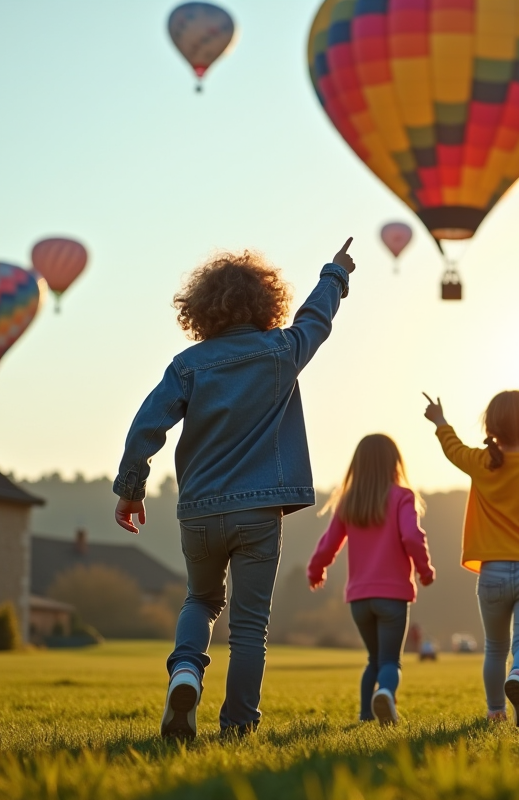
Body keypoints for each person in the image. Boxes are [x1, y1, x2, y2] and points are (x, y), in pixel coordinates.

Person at [112, 240, 357, 740]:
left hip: (199, 510)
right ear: (266, 304)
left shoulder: (188, 365)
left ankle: (185, 671)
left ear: (202, 310)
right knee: (250, 625)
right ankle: (239, 726)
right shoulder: (283, 352)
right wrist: (335, 274)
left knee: (200, 599)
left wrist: (131, 488)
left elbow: (146, 427)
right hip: (260, 510)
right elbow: (317, 321)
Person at [422, 390, 519, 728]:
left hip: (492, 573)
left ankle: (496, 713)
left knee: (495, 647)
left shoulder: (481, 462)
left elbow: (452, 448)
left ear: (491, 429)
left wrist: (440, 421)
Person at [307, 434, 435, 725]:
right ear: (394, 462)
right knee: (390, 661)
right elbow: (413, 537)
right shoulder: (402, 496)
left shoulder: (349, 501)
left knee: (373, 660)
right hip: (393, 596)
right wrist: (424, 571)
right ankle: (386, 694)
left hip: (359, 599)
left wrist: (316, 571)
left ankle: (366, 715)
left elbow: (329, 543)